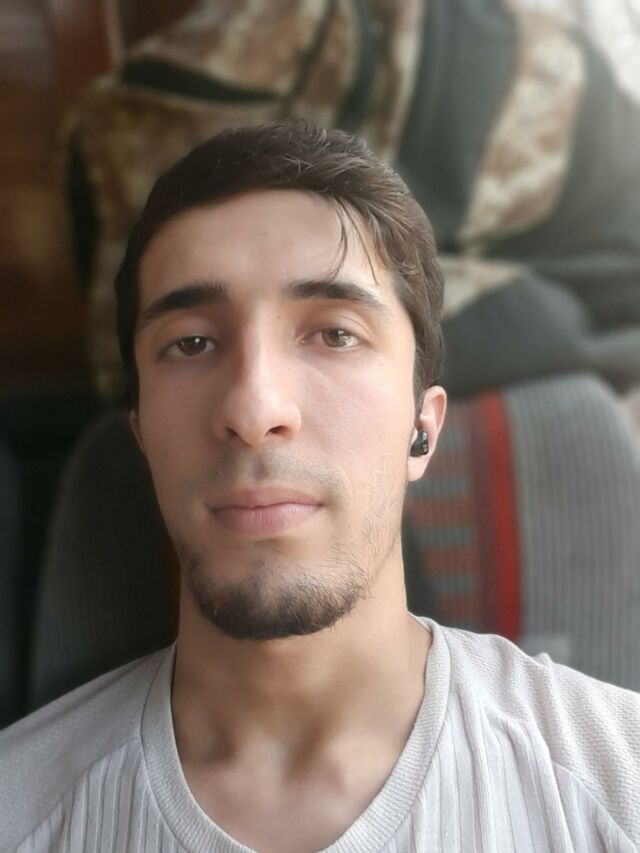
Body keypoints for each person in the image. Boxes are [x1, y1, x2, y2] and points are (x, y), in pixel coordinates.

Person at [1, 119, 639, 853]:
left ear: (422, 427)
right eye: (192, 342)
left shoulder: (618, 789)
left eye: (335, 334)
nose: (254, 409)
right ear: (143, 435)